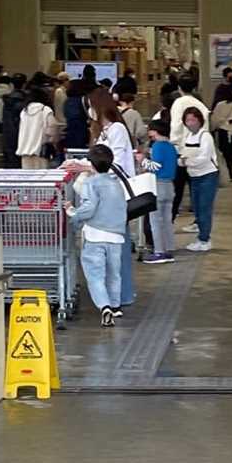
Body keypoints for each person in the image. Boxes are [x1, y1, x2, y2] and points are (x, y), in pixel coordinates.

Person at [67, 143, 129, 328]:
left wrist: (73, 214)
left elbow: (88, 209)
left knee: (95, 275)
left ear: (91, 164)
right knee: (114, 274)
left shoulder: (91, 183)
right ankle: (116, 306)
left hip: (95, 235)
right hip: (116, 236)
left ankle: (104, 307)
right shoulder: (116, 183)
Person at [92, 91, 138, 307]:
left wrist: (87, 166)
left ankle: (122, 295)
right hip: (108, 194)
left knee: (118, 246)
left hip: (116, 195)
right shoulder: (105, 130)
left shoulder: (117, 130)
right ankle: (116, 295)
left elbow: (115, 163)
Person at [169, 80, 209, 228]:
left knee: (177, 189)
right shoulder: (201, 105)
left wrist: (174, 144)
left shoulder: (179, 103)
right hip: (198, 151)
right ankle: (199, 222)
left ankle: (170, 221)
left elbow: (176, 126)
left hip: (182, 152)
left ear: (179, 88)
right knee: (196, 190)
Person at [180, 108, 219, 253]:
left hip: (207, 175)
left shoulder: (205, 136)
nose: (190, 123)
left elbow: (204, 157)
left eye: (193, 120)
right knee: (197, 207)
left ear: (199, 120)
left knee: (204, 208)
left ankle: (205, 239)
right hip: (194, 176)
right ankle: (201, 237)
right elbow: (184, 153)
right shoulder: (188, 136)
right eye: (187, 120)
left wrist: (187, 162)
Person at [144, 119, 178, 263]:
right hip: (170, 186)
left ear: (155, 131)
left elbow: (155, 166)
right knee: (167, 220)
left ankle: (158, 251)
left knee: (155, 221)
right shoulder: (171, 147)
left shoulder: (158, 146)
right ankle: (169, 249)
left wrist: (142, 160)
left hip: (158, 185)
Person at [16, 85, 58, 169]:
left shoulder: (24, 111)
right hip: (41, 151)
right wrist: (52, 141)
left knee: (28, 178)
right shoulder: (45, 110)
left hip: (25, 151)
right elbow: (52, 128)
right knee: (42, 177)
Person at [210, 91, 232, 182]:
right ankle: (225, 173)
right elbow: (215, 118)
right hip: (223, 132)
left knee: (229, 154)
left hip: (230, 132)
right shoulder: (220, 105)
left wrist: (231, 127)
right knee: (223, 153)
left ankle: (229, 171)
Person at [1, 73, 29, 169]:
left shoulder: (7, 100)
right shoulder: (24, 102)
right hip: (21, 138)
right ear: (24, 84)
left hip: (7, 138)